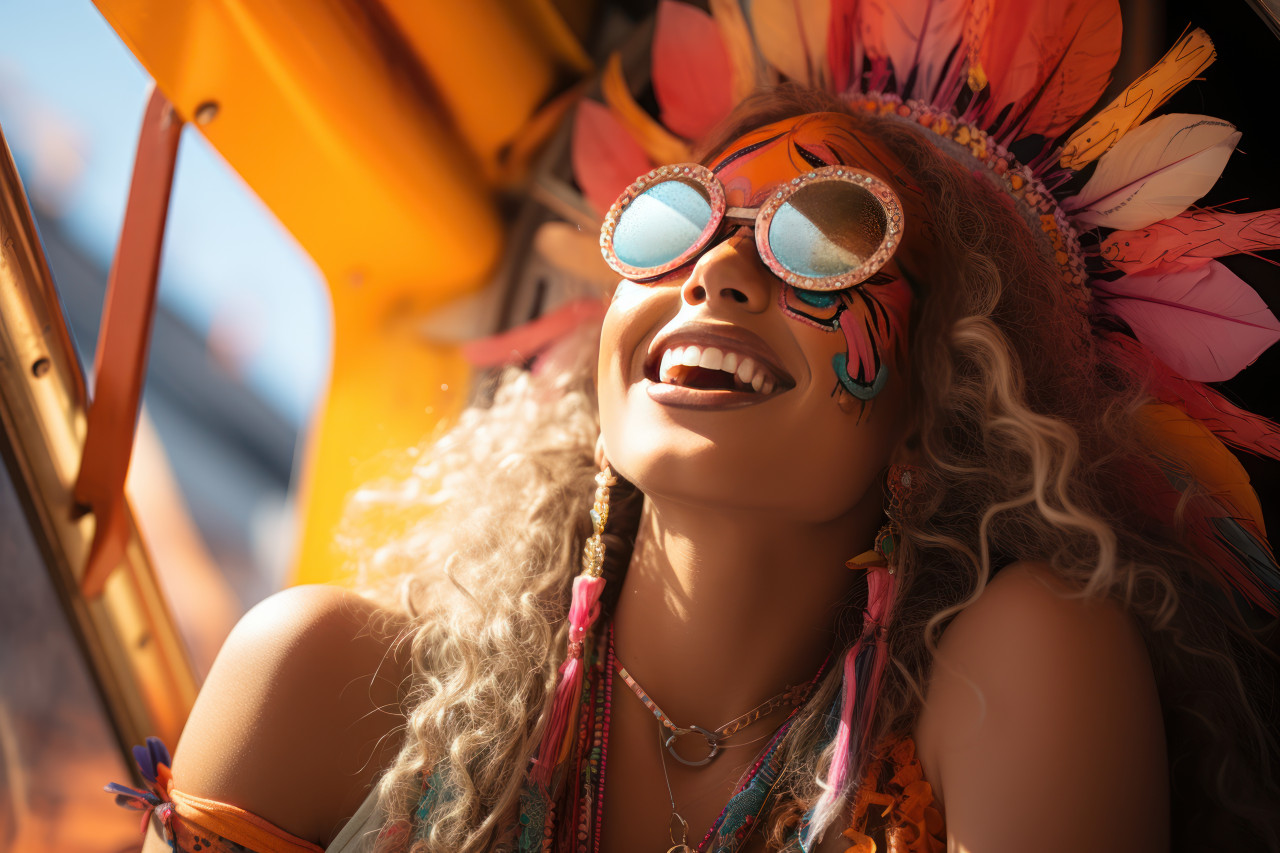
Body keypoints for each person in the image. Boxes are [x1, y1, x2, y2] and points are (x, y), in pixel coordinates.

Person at [109, 4, 1280, 853]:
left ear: (938, 397)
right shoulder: (321, 684)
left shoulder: (1019, 670)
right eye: (675, 221)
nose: (714, 269)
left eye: (825, 235)